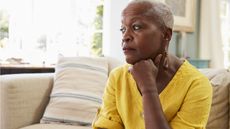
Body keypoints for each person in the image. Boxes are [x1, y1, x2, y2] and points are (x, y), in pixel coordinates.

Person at [92, 0, 212, 129]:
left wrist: (148, 89)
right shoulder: (117, 77)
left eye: (136, 27)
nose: (125, 36)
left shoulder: (196, 85)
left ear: (166, 35)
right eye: (123, 29)